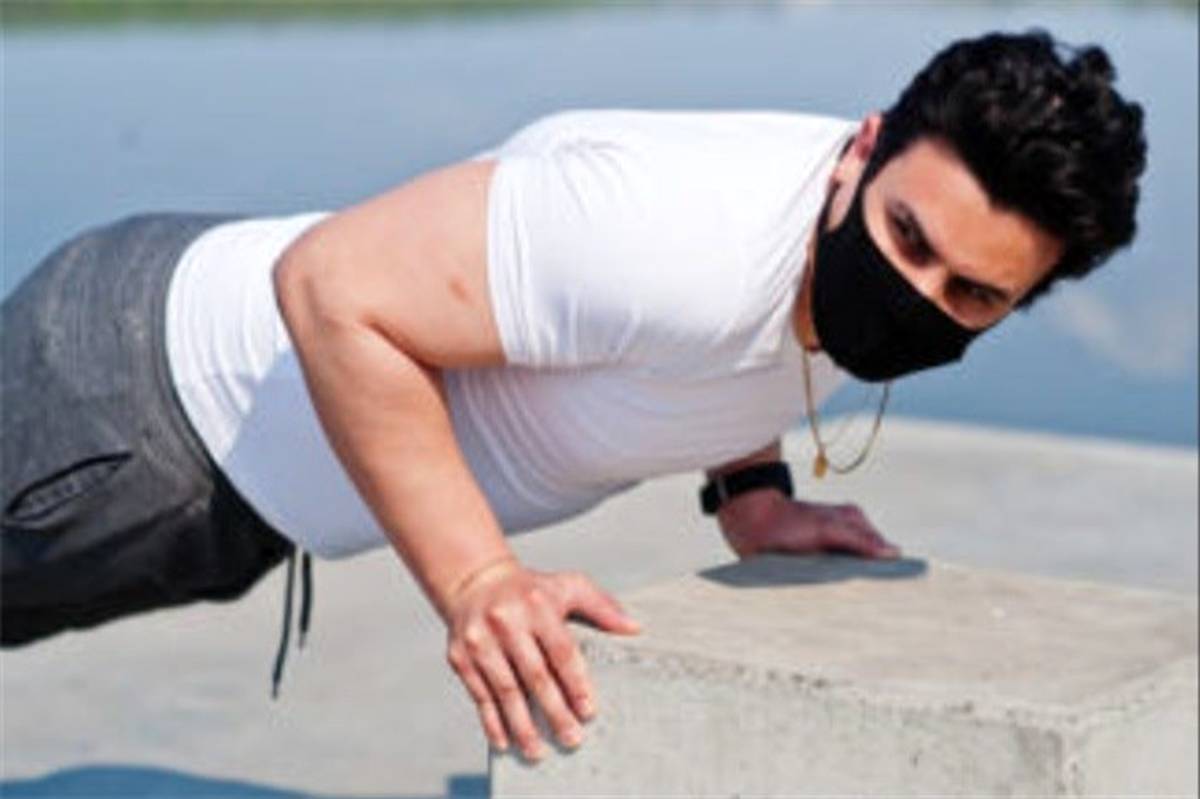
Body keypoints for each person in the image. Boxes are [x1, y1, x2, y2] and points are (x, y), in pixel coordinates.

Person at [1, 30, 1145, 762]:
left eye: (974, 293)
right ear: (864, 148)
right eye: (908, 238)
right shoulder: (668, 232)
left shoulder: (852, 232)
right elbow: (331, 288)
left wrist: (752, 494)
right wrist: (480, 580)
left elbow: (746, 343)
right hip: (136, 410)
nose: (920, 291)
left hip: (244, 481)